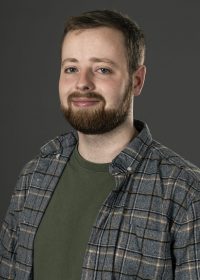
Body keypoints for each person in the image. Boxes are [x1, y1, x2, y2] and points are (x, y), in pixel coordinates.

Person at [0, 9, 200, 280]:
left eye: (102, 69)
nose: (82, 83)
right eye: (71, 68)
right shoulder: (34, 176)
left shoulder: (185, 193)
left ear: (137, 80)